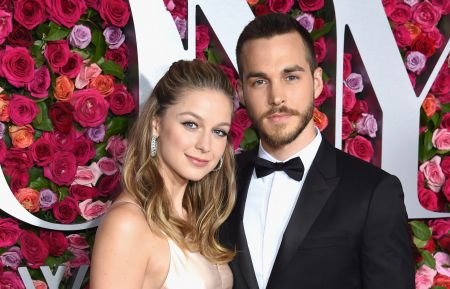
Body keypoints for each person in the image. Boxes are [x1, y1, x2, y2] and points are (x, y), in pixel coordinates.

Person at [221, 13, 415, 289]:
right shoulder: (219, 181)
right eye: (260, 81)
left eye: (290, 77)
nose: (276, 97)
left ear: (316, 82)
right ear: (241, 90)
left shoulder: (373, 193)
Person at [90, 59, 236, 289]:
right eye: (191, 124)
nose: (206, 145)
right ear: (156, 124)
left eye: (219, 131)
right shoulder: (128, 224)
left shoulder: (194, 215)